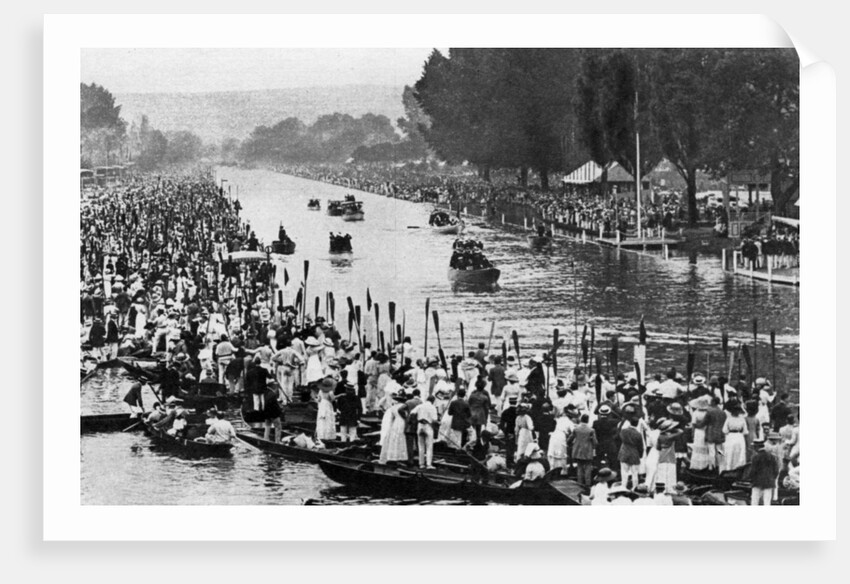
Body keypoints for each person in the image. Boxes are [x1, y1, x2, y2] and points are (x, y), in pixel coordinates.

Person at [411, 396, 439, 469]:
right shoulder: (433, 407)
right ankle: (429, 464)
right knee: (429, 446)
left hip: (420, 425)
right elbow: (434, 419)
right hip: (428, 426)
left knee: (421, 446)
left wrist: (416, 421)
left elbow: (412, 413)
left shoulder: (420, 406)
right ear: (433, 401)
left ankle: (421, 463)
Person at [750, 439, 780, 506]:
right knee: (767, 503)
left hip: (757, 483)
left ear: (756, 447)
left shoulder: (755, 457)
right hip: (769, 483)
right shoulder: (771, 456)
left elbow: (753, 472)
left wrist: (752, 480)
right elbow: (776, 471)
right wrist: (771, 478)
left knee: (754, 502)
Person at [379, 399, 408, 464]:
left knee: (394, 438)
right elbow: (405, 415)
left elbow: (392, 418)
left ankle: (392, 456)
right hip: (402, 422)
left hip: (395, 422)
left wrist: (390, 427)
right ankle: (400, 456)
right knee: (401, 438)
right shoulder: (404, 406)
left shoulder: (393, 407)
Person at [618, 416, 644, 490]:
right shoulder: (638, 434)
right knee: (635, 473)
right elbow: (640, 446)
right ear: (637, 424)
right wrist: (640, 455)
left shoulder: (624, 431)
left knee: (624, 472)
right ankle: (635, 488)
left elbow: (619, 433)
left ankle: (623, 487)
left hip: (624, 452)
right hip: (634, 453)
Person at [722, 402, 749, 471]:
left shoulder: (729, 419)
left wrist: (728, 433)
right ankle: (738, 469)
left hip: (731, 436)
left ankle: (729, 468)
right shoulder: (742, 419)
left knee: (730, 452)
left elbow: (724, 430)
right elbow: (745, 431)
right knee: (739, 453)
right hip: (739, 436)